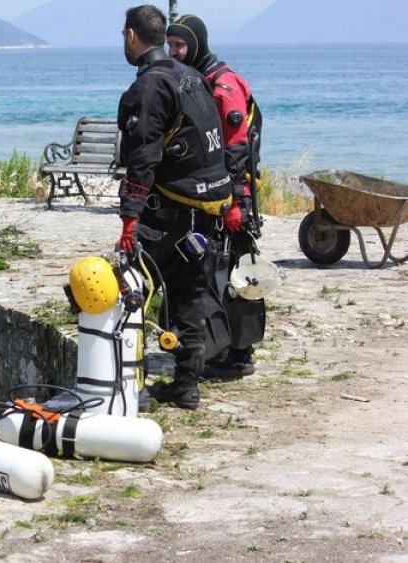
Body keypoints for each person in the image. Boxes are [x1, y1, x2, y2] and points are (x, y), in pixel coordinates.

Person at [116, 5, 234, 409]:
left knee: (127, 287)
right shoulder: (194, 78)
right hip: (205, 208)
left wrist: (129, 220)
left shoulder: (150, 87)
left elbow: (142, 158)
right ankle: (186, 383)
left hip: (167, 211)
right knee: (189, 293)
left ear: (132, 35)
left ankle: (124, 383)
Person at [167, 14, 265, 379]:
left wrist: (234, 202)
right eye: (170, 45)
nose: (174, 52)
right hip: (212, 195)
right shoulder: (197, 79)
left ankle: (239, 352)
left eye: (180, 45)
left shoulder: (222, 84)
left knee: (237, 274)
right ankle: (218, 344)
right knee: (212, 273)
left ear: (197, 44)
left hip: (231, 196)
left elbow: (236, 150)